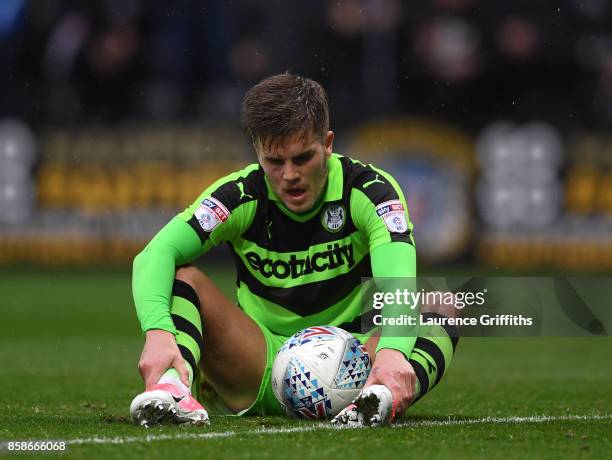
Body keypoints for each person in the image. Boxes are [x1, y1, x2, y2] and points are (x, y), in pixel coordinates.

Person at [129, 73, 459, 427]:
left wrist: (393, 352)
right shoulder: (239, 196)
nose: (290, 175)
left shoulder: (370, 191)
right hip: (260, 366)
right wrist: (158, 332)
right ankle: (172, 389)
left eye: (303, 158)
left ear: (328, 144)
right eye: (274, 161)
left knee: (445, 302)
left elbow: (398, 281)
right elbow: (154, 254)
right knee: (185, 277)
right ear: (257, 151)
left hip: (356, 364)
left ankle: (380, 397)